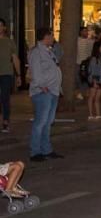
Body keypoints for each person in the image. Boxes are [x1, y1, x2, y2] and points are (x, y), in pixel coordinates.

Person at [27, 28, 62, 162]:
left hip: (52, 90)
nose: (53, 38)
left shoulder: (48, 51)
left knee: (48, 122)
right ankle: (35, 151)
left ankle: (46, 149)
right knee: (40, 122)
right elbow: (36, 72)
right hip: (43, 91)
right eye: (51, 36)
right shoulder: (36, 52)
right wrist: (42, 86)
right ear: (45, 37)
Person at [0, 19, 22, 133]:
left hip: (6, 74)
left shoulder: (9, 42)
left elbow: (15, 59)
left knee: (5, 98)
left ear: (4, 28)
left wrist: (18, 75)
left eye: (0, 26)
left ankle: (6, 121)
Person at [86, 41, 101, 120]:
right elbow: (92, 71)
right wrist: (94, 81)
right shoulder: (94, 59)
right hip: (95, 80)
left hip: (100, 80)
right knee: (92, 97)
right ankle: (91, 114)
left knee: (97, 98)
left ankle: (98, 114)